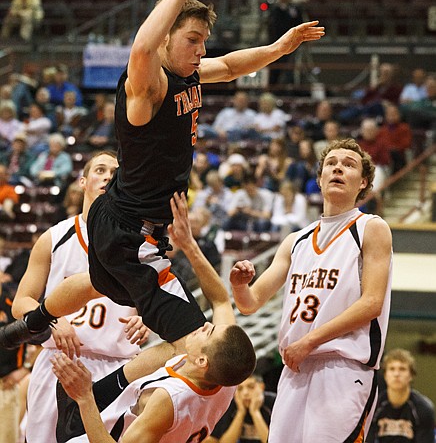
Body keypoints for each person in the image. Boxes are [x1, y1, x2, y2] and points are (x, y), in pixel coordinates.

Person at [0, 0, 324, 359]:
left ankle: (30, 325)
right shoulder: (146, 86)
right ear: (166, 36)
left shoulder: (189, 72)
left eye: (203, 40)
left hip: (121, 217)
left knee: (96, 284)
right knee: (203, 346)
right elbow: (140, 48)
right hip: (132, 232)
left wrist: (279, 48)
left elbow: (228, 66)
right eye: (192, 39)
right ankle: (106, 389)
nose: (200, 49)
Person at [50, 191, 256, 443]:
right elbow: (221, 300)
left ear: (202, 361)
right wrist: (189, 244)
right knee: (171, 349)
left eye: (209, 332)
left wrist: (85, 399)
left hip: (91, 434)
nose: (205, 326)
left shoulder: (167, 400)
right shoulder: (225, 375)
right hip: (112, 412)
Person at [230, 138, 393, 443]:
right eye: (331, 163)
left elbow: (372, 303)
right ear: (319, 180)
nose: (338, 168)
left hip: (342, 367)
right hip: (295, 367)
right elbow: (251, 303)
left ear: (364, 182)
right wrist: (239, 285)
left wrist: (310, 341)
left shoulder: (371, 228)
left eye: (349, 164)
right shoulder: (296, 240)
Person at [10, 151, 150, 443]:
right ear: (83, 181)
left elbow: (156, 303)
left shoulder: (142, 244)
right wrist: (49, 320)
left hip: (117, 366)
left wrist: (146, 319)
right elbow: (21, 301)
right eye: (100, 170)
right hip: (58, 361)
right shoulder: (53, 237)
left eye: (115, 173)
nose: (108, 176)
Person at [367, 348, 435, 442]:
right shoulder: (374, 406)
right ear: (385, 375)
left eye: (402, 369)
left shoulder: (423, 408)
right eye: (392, 369)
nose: (396, 374)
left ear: (411, 375)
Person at [205, 373, 276, 443]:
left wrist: (255, 412)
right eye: (240, 389)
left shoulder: (274, 402)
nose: (245, 393)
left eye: (251, 387)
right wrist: (241, 412)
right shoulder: (229, 404)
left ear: (261, 387)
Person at [0, 281, 29, 443]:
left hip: (5, 383)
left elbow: (39, 341)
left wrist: (25, 368)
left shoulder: (12, 307)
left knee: (6, 438)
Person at [267, 0, 304, 86]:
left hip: (292, 43)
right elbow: (271, 26)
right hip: (276, 42)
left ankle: (289, 87)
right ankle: (273, 86)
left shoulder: (295, 9)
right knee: (275, 66)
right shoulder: (275, 10)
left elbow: (299, 24)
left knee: (289, 68)